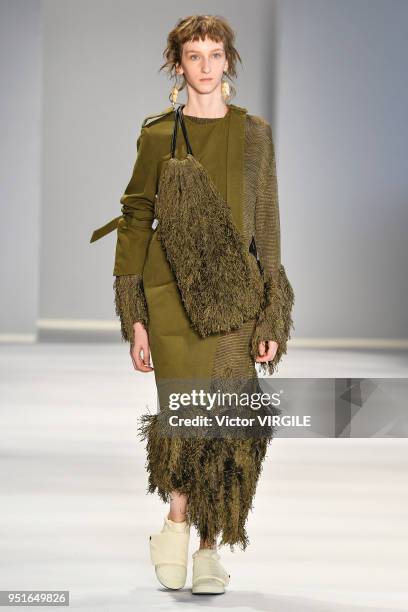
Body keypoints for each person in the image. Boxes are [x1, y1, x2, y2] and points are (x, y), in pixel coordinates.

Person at [90, 14, 294, 595]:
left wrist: (271, 309)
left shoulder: (254, 134)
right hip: (171, 298)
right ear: (177, 66)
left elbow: (268, 227)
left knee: (226, 425)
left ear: (228, 60)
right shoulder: (157, 136)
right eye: (194, 56)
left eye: (214, 54)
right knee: (186, 418)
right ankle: (176, 525)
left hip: (235, 300)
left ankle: (209, 546)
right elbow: (135, 220)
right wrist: (134, 316)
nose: (205, 66)